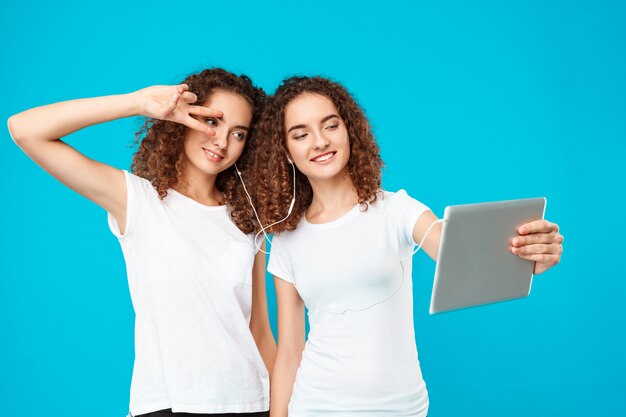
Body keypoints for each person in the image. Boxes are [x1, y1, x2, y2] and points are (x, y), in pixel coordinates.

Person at [249, 76, 564, 417]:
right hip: (316, 405)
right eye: (301, 134)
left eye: (330, 126)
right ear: (287, 152)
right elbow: (290, 353)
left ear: (348, 131)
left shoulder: (397, 209)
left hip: (401, 407)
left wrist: (525, 253)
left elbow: (455, 249)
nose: (320, 142)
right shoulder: (286, 239)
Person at [7, 68, 275, 417]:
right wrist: (138, 102)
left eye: (237, 133)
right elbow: (24, 129)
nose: (221, 141)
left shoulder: (247, 221)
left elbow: (260, 331)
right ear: (184, 117)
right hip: (166, 402)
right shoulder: (139, 201)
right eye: (212, 122)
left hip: (250, 402)